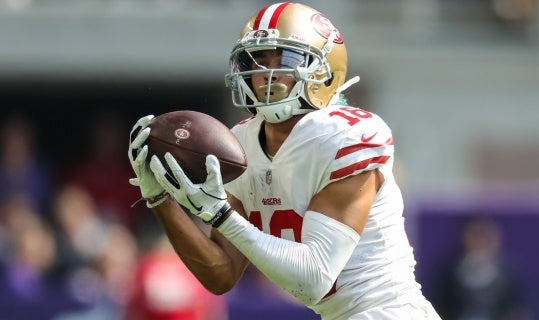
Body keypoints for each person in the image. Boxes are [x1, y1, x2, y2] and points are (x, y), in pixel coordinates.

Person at [128, 2, 441, 319]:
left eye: (286, 59)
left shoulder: (345, 135)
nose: (267, 73)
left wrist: (220, 214)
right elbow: (221, 275)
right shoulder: (241, 144)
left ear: (324, 70)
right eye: (258, 61)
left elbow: (313, 279)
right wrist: (159, 198)